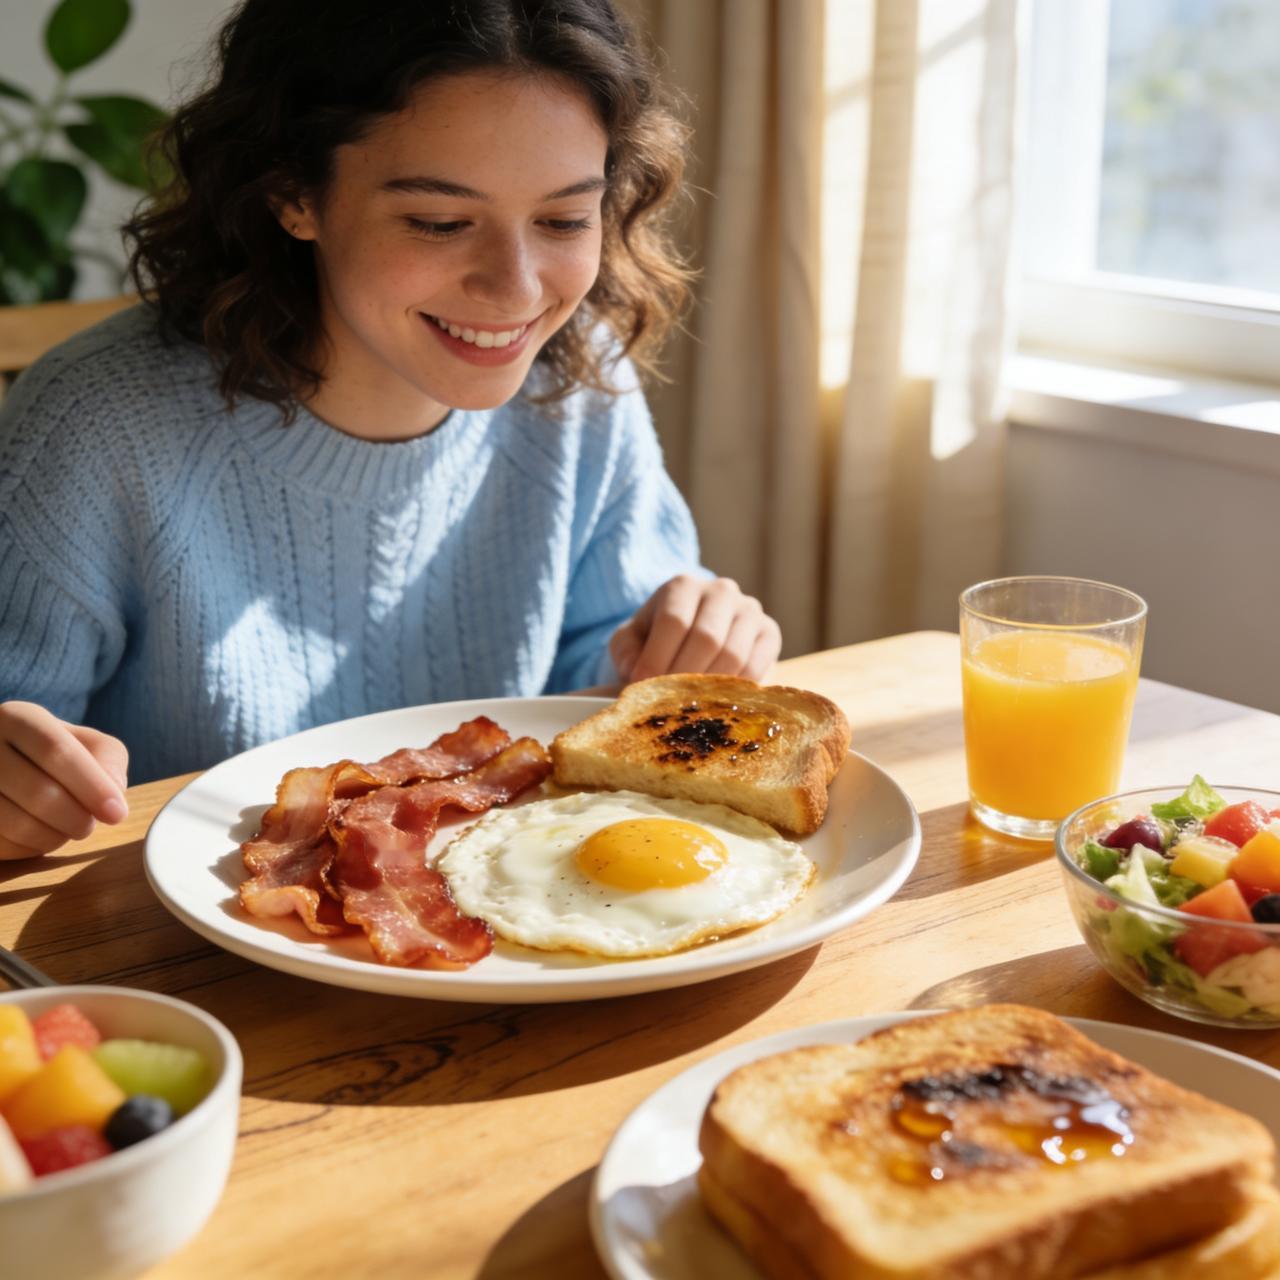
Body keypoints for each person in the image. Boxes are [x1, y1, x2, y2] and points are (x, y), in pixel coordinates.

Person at [0, 0, 781, 860]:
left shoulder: (579, 376)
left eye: (563, 220)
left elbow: (605, 676)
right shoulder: (95, 421)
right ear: (294, 193)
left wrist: (687, 635)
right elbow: (19, 730)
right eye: (440, 222)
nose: (518, 290)